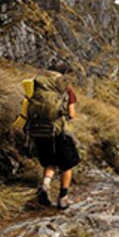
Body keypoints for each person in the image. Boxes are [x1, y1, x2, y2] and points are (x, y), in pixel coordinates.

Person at [18, 70, 81, 210]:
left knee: (50, 162)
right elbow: (71, 114)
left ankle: (45, 186)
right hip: (58, 132)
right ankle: (63, 198)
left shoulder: (36, 86)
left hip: (38, 130)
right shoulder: (65, 87)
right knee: (67, 165)